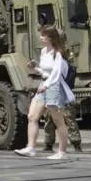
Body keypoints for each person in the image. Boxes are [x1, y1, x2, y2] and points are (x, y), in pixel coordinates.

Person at [14, 26, 75, 159]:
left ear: (51, 37)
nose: (41, 37)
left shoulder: (58, 53)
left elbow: (57, 73)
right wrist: (36, 68)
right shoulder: (43, 52)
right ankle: (31, 148)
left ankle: (62, 152)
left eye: (43, 35)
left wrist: (46, 85)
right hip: (44, 84)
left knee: (58, 120)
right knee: (32, 116)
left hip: (54, 87)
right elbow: (46, 70)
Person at [43, 29, 82, 152]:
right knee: (49, 118)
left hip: (62, 89)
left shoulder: (67, 55)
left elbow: (71, 72)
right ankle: (48, 144)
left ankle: (76, 144)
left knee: (68, 117)